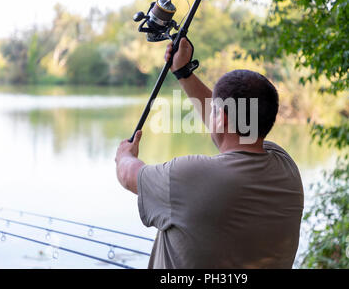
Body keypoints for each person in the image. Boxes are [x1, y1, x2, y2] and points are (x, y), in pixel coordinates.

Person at [115, 38, 304, 268]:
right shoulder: (285, 165)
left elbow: (128, 176)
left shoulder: (188, 176)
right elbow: (233, 127)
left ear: (222, 118)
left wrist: (125, 155)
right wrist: (184, 73)